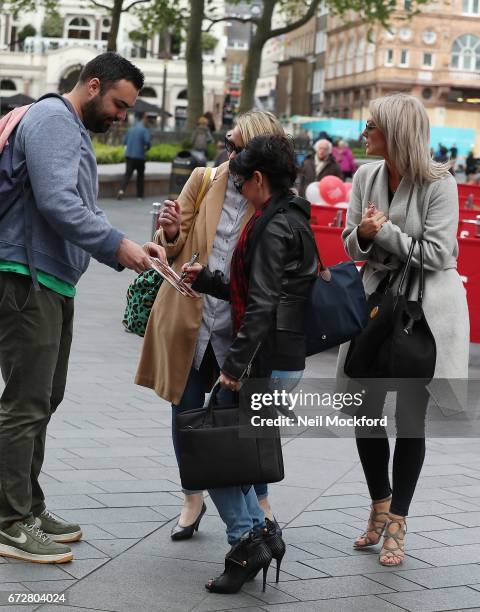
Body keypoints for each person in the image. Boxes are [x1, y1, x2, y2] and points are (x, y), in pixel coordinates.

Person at [0, 52, 167, 564]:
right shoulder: (53, 118)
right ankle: (8, 522)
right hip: (27, 277)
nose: (122, 115)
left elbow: (81, 208)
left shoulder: (69, 128)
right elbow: (57, 203)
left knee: (45, 396)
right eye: (119, 103)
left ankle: (27, 503)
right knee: (26, 403)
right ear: (92, 85)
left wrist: (135, 246)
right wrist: (120, 248)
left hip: (50, 278)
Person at [135, 111, 285, 542]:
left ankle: (260, 498)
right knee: (186, 412)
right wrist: (167, 231)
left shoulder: (271, 199)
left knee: (248, 419)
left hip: (237, 328)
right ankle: (192, 496)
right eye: (228, 142)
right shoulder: (204, 178)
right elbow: (173, 241)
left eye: (237, 147)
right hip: (190, 318)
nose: (228, 152)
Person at [336, 93, 469, 566]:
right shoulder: (366, 175)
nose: (363, 133)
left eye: (371, 125)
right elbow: (350, 237)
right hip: (375, 306)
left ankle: (398, 523)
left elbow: (440, 254)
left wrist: (384, 233)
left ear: (394, 133)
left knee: (411, 419)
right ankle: (379, 504)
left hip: (421, 312)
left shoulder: (440, 183)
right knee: (363, 409)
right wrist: (366, 235)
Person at [181, 134, 317, 593]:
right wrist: (211, 280)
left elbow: (260, 306)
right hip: (279, 354)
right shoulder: (290, 217)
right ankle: (262, 537)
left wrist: (232, 369)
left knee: (213, 457)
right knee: (237, 462)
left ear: (258, 178)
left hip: (263, 358)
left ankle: (247, 545)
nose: (237, 190)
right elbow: (260, 291)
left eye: (240, 182)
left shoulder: (273, 226)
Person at [117, 111, 151, 200]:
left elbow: (124, 141)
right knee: (140, 176)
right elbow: (147, 142)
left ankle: (121, 191)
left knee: (127, 174)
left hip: (129, 155)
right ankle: (139, 196)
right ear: (143, 118)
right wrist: (147, 148)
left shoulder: (130, 129)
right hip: (139, 156)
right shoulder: (144, 129)